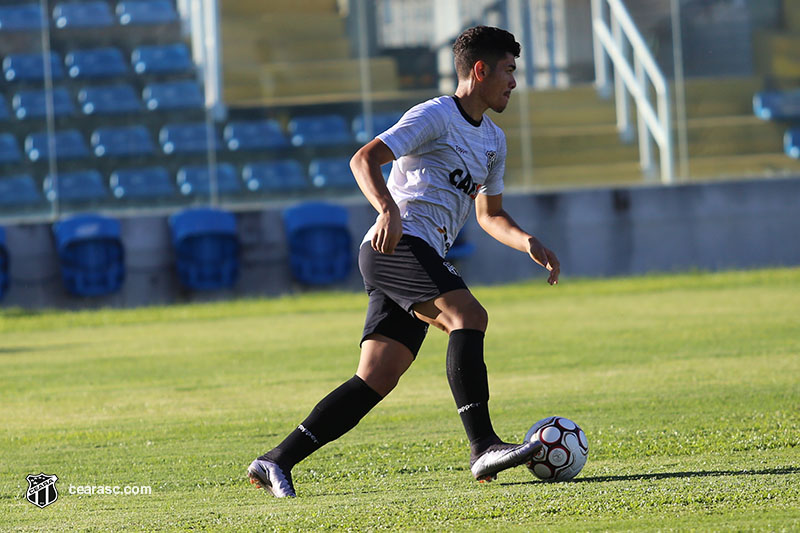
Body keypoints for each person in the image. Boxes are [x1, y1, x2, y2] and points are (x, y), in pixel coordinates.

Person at [248, 25, 560, 498]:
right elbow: (364, 159)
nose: (514, 82)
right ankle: (484, 446)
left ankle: (275, 460)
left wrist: (527, 240)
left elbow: (489, 214)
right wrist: (387, 209)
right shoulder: (436, 114)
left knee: (377, 376)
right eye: (509, 71)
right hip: (396, 247)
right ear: (480, 70)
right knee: (469, 315)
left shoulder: (494, 141)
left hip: (422, 254)